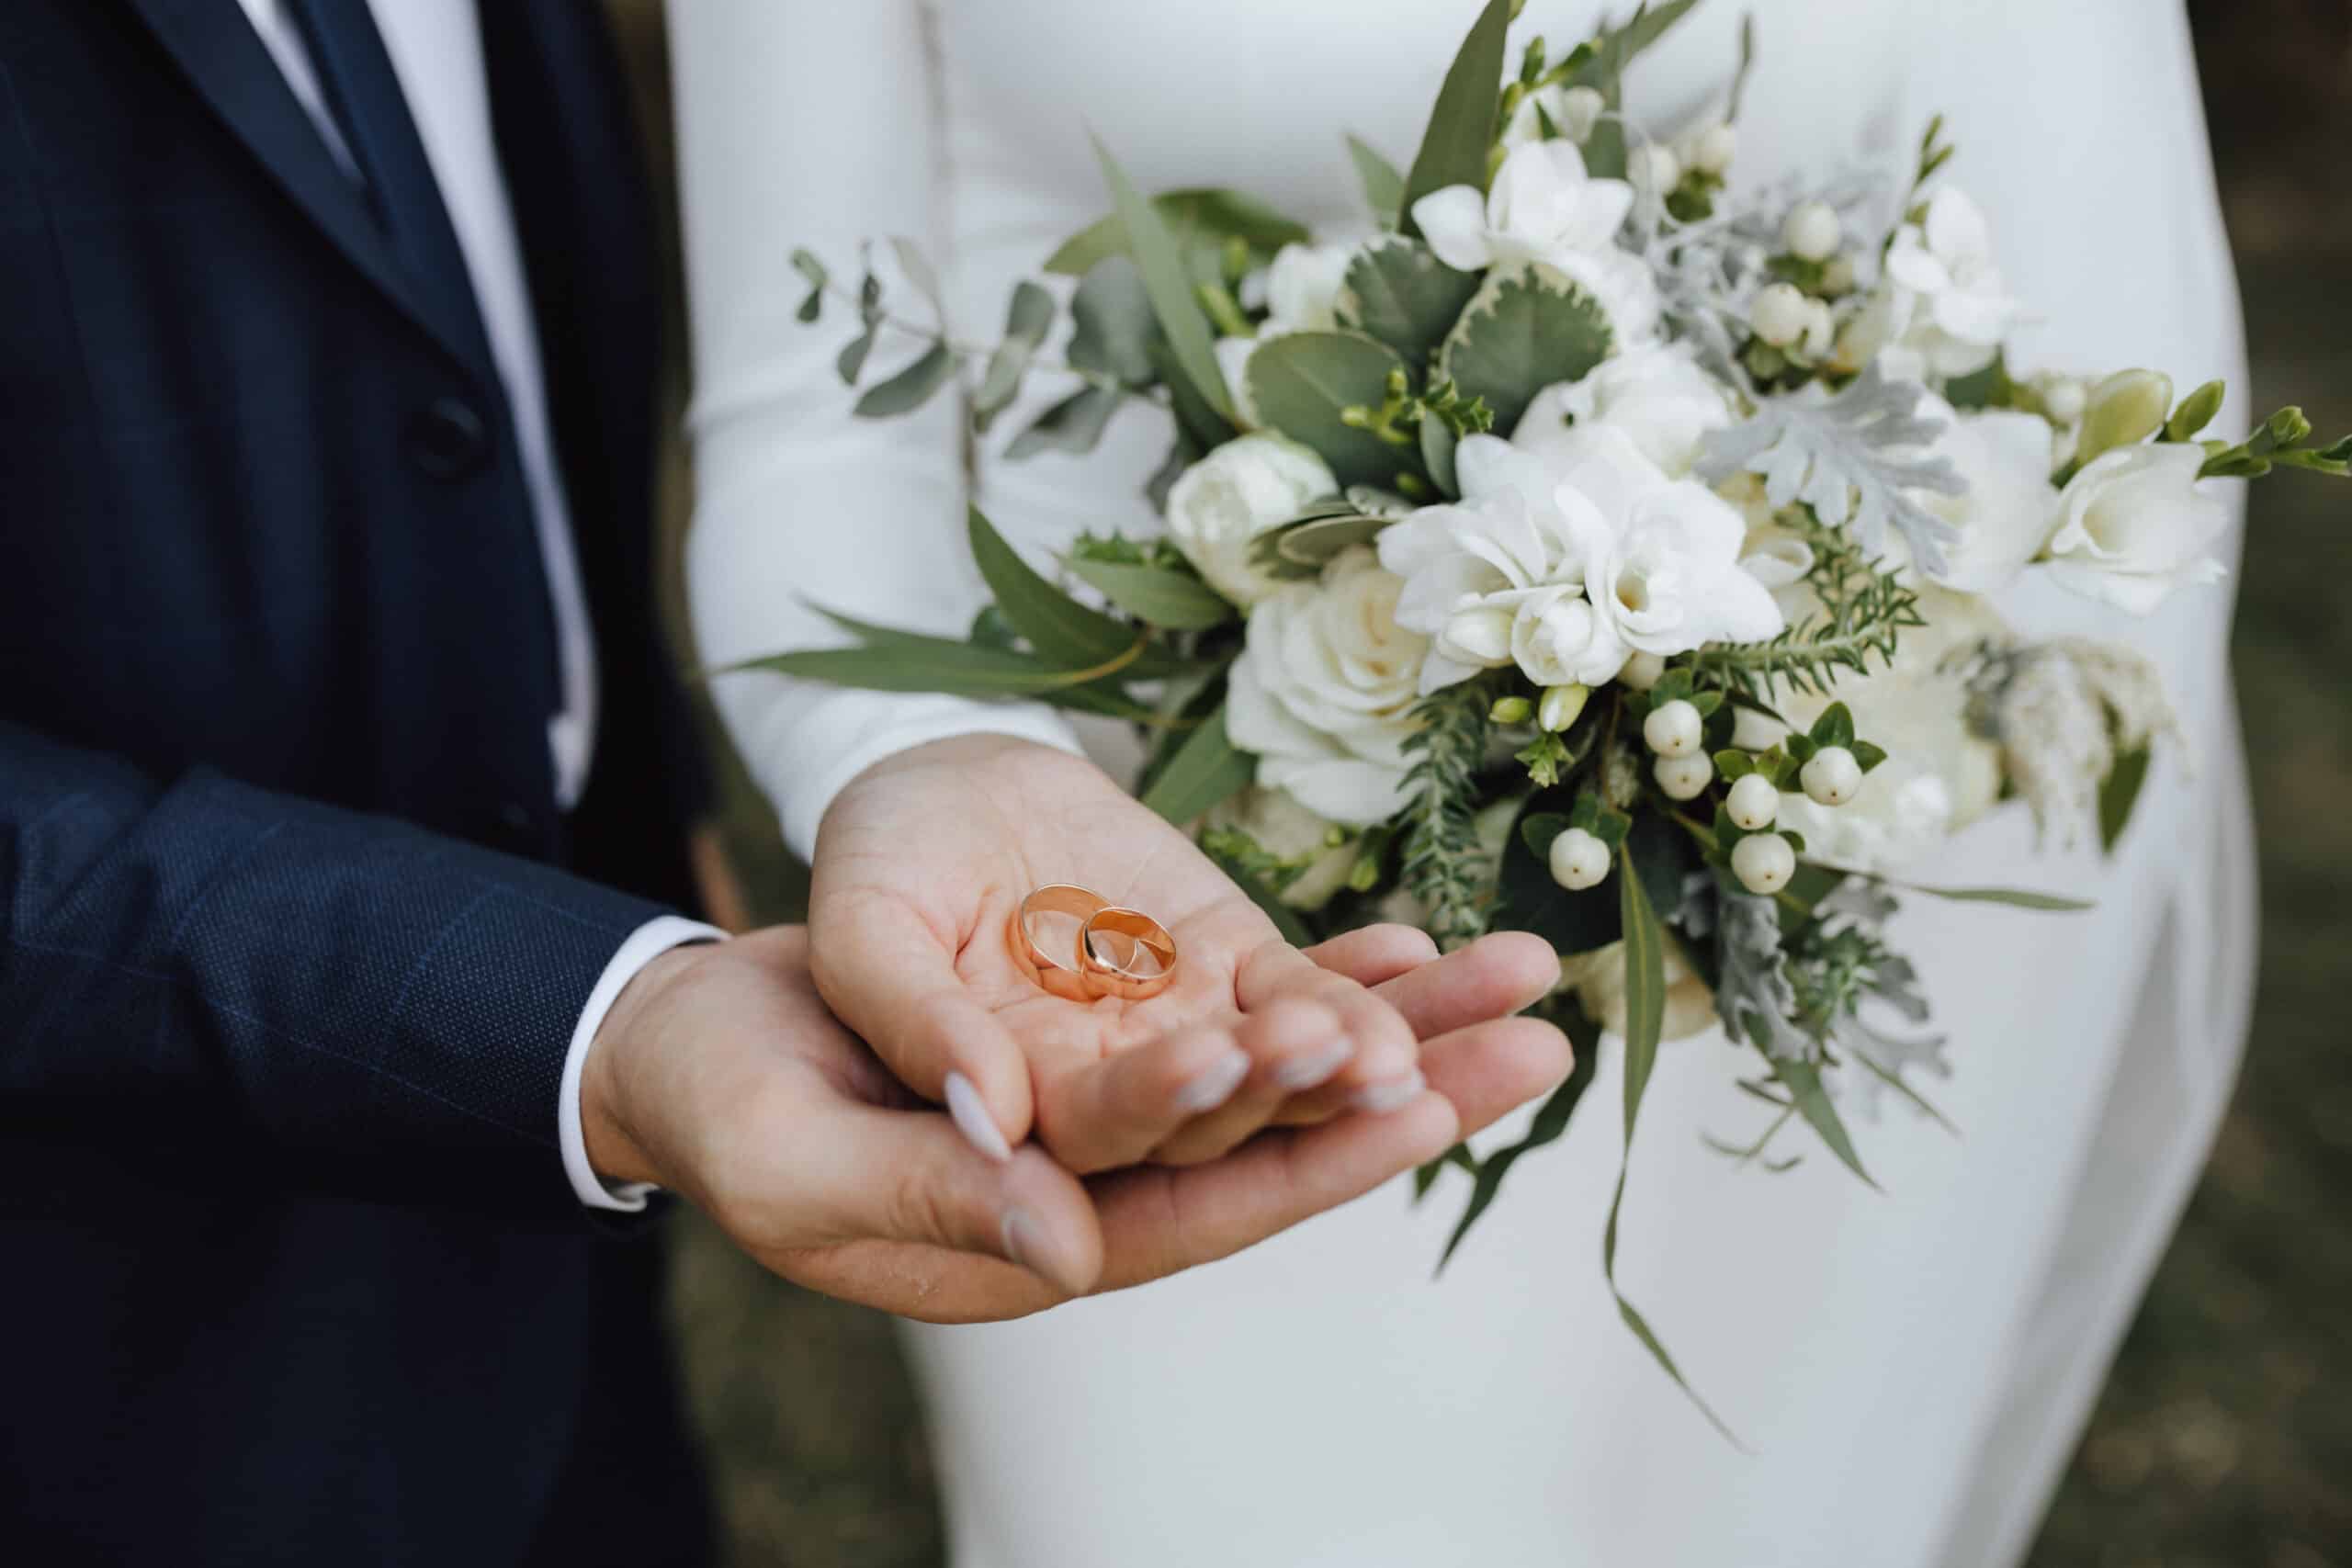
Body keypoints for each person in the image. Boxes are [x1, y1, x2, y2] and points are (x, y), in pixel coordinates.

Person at [668, 1, 2253, 1563]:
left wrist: (1806, 758)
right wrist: (912, 771)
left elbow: (2058, 293)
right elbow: (810, 420)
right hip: (1103, 944)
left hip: (1747, 903)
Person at [0, 2, 1571, 1562]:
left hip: (567, 1246)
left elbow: (476, 301)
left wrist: (633, 792)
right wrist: (591, 1012)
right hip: (109, 1303)